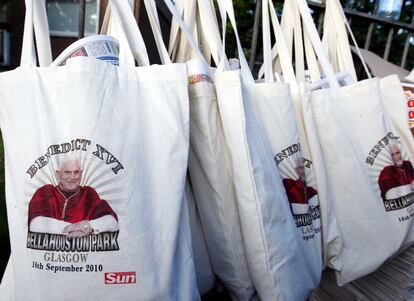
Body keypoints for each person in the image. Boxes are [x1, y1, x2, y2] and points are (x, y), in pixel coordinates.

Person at [28, 158, 119, 237]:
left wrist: (87, 226)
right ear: (58, 174)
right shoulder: (45, 192)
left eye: (76, 172)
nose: (72, 177)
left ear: (81, 174)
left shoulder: (88, 193)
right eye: (67, 172)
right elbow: (35, 224)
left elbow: (112, 222)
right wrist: (71, 227)